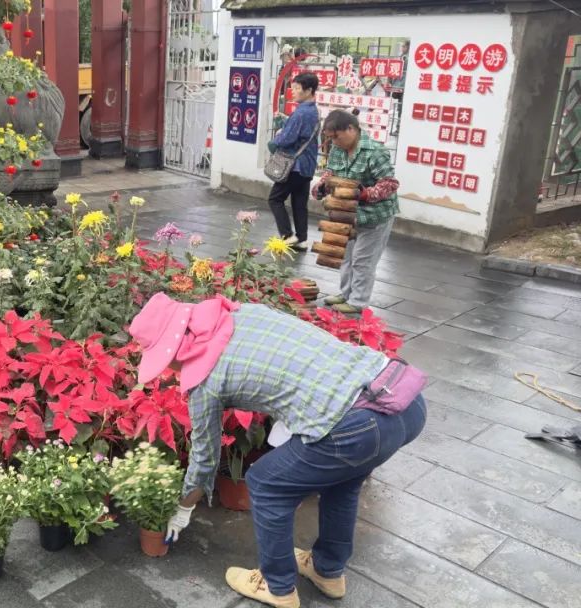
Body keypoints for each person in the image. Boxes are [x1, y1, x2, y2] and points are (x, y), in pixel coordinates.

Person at [129, 292, 426, 608]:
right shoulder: (243, 312)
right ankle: (327, 571)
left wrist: (183, 510)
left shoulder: (205, 382)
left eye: (164, 359)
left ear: (175, 350)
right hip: (401, 397)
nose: (168, 369)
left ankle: (278, 586)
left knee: (265, 483)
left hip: (358, 425)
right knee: (343, 482)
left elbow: (205, 458)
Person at [313, 109, 399, 315]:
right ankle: (346, 293)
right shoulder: (337, 150)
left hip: (375, 216)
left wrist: (365, 194)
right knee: (347, 256)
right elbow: (330, 173)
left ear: (351, 129)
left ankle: (358, 301)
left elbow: (390, 183)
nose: (333, 142)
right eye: (330, 138)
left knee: (363, 260)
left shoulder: (375, 152)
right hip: (346, 215)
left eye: (336, 136)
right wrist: (323, 186)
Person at [267, 72, 319, 251]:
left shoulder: (301, 113)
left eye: (297, 88)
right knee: (299, 201)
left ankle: (287, 235)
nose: (293, 92)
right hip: (308, 165)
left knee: (275, 198)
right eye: (293, 88)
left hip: (294, 166)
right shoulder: (313, 110)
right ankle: (302, 239)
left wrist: (273, 143)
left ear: (309, 90)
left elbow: (287, 138)